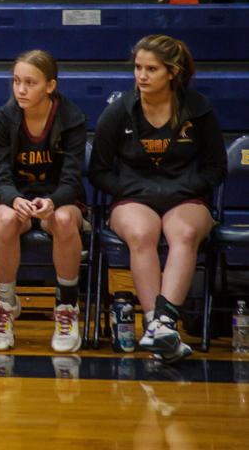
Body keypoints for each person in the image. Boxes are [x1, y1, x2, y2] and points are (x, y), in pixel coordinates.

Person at [90, 34, 227, 363]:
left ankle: (163, 324)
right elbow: (99, 171)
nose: (142, 75)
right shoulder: (119, 110)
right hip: (134, 197)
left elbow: (216, 167)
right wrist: (131, 190)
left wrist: (184, 188)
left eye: (151, 69)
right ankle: (157, 325)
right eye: (138, 67)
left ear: (172, 72)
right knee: (141, 234)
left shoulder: (197, 109)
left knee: (185, 233)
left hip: (185, 196)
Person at [0, 50, 88, 353]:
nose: (21, 89)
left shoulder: (72, 119)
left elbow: (72, 179)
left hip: (60, 198)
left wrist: (53, 201)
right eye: (16, 81)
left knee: (64, 220)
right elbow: (1, 177)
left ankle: (66, 306)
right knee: (6, 220)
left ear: (50, 85)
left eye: (30, 83)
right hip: (17, 198)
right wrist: (14, 199)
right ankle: (6, 304)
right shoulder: (2, 119)